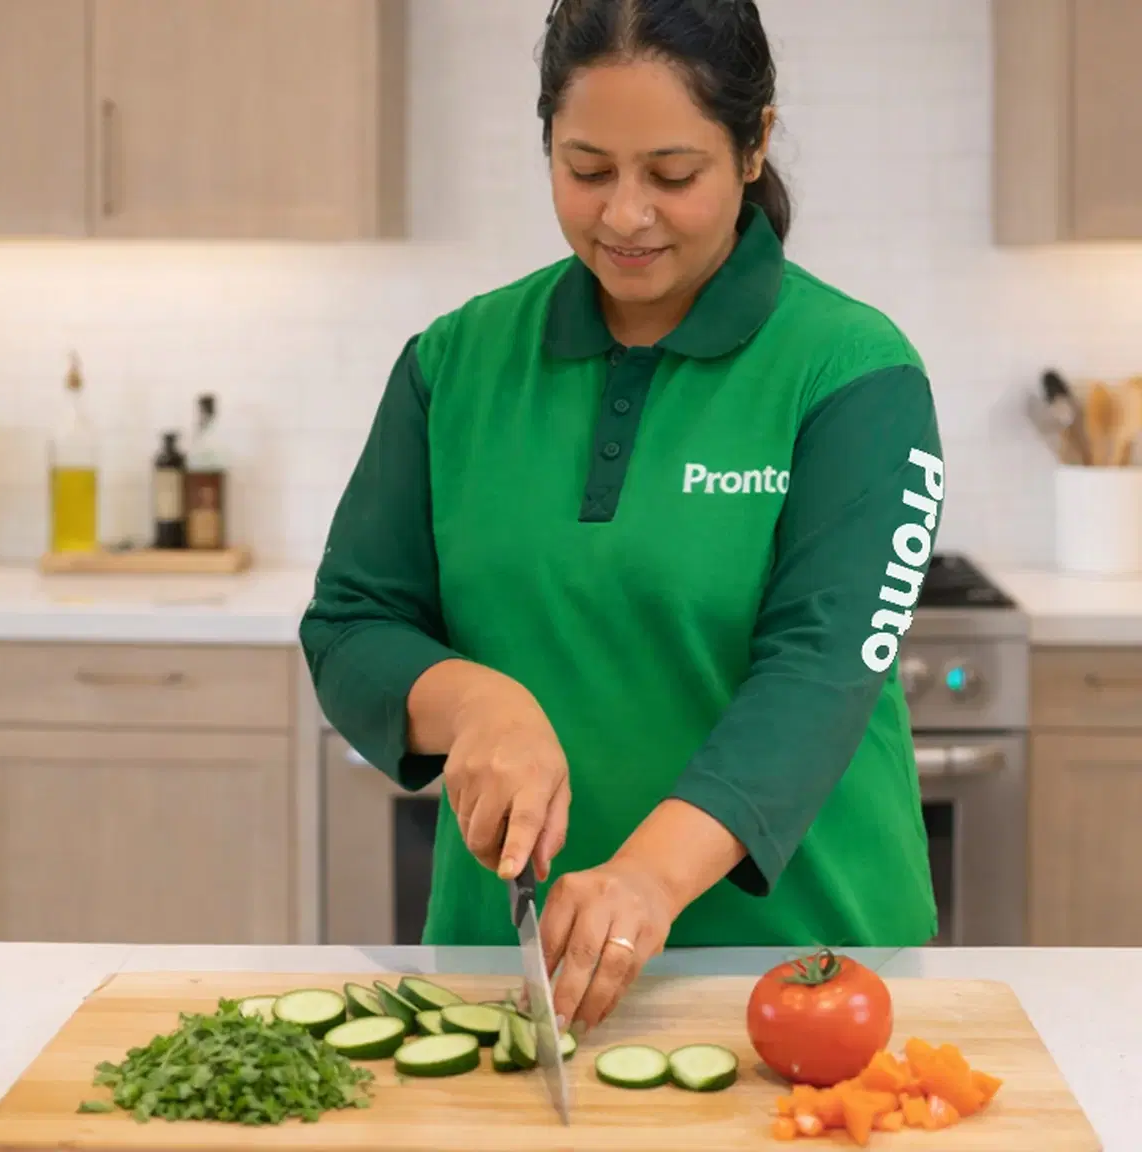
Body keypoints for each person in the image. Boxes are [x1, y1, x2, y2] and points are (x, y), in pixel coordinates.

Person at [300, 0, 945, 1033]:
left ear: (752, 146)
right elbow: (349, 624)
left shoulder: (852, 372)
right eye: (586, 170)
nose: (625, 214)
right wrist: (471, 702)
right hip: (509, 970)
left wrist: (646, 878)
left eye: (671, 175)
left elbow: (820, 672)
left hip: (802, 979)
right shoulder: (453, 361)